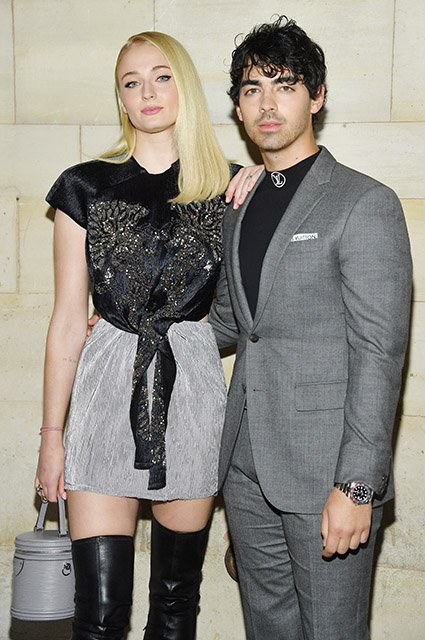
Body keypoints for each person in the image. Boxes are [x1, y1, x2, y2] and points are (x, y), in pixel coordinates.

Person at [34, 30, 258, 640]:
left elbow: (251, 305)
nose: (147, 92)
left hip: (192, 395)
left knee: (176, 606)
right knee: (99, 613)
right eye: (131, 82)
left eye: (161, 77)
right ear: (120, 98)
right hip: (105, 388)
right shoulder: (84, 186)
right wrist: (51, 437)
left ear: (183, 85)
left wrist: (261, 179)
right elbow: (66, 321)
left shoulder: (230, 188)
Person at [209, 16, 412, 640]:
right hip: (245, 467)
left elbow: (380, 353)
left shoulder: (364, 202)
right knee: (267, 629)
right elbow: (229, 323)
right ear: (239, 107)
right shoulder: (238, 204)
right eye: (252, 89)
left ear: (317, 97)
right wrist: (131, 327)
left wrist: (357, 485)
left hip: (328, 473)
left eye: (286, 86)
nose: (267, 104)